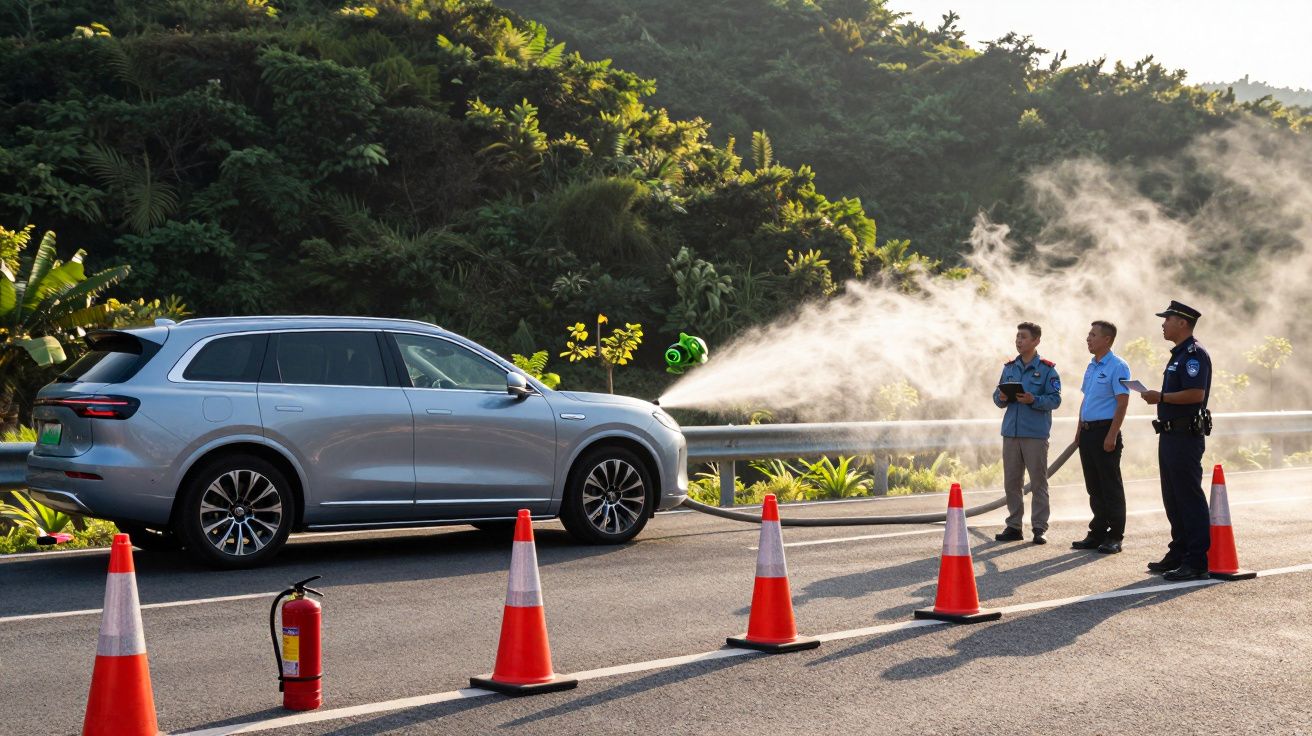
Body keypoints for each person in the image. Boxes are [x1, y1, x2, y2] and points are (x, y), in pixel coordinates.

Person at [1141, 301, 1213, 581]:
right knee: (1172, 497)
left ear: (1182, 323)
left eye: (1167, 319)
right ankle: (1179, 551)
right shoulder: (1179, 354)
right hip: (1170, 434)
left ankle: (1196, 561)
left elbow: (1196, 394)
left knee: (1188, 497)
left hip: (1185, 436)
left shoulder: (1194, 354)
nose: (1163, 324)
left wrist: (1160, 397)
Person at [991, 322, 1061, 544]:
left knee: (1038, 482)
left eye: (1023, 337)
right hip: (1011, 433)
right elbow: (997, 396)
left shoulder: (1048, 369)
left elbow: (1055, 400)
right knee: (1012, 482)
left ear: (1036, 341)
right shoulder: (1009, 368)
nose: (1018, 341)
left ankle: (1039, 527)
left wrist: (1034, 399)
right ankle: (1014, 526)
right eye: (1017, 337)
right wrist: (1001, 397)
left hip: (1035, 435)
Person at [1072, 320, 1130, 554]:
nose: (1088, 338)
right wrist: (1079, 429)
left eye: (1093, 335)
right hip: (1088, 432)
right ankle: (1097, 532)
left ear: (1107, 339)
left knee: (1110, 486)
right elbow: (1086, 399)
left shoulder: (1118, 366)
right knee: (1094, 487)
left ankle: (1115, 536)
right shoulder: (1092, 366)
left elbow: (1122, 403)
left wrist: (1112, 434)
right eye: (1089, 334)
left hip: (1105, 431)